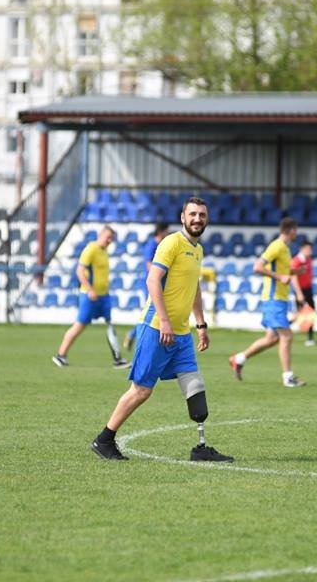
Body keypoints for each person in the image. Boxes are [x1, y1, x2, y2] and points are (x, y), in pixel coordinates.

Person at [90, 197, 232, 462]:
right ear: (182, 217)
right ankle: (104, 439)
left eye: (202, 215)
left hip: (182, 334)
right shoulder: (171, 243)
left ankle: (201, 448)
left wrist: (201, 324)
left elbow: (194, 288)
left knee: (195, 385)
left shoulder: (198, 250)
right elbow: (152, 280)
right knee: (142, 390)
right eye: (192, 214)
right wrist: (164, 321)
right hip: (157, 328)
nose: (197, 219)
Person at [228, 217, 307, 387]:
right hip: (273, 298)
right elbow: (258, 267)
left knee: (272, 339)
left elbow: (283, 271)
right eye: (296, 230)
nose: (297, 234)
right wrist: (280, 277)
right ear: (291, 230)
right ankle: (288, 377)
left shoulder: (285, 248)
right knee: (287, 336)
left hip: (280, 298)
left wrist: (296, 271)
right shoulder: (277, 246)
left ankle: (238, 359)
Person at [52, 225, 129, 368]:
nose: (109, 240)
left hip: (104, 296)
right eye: (108, 237)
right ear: (101, 235)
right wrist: (90, 290)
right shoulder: (91, 249)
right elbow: (80, 271)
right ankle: (60, 355)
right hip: (89, 296)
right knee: (79, 325)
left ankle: (118, 359)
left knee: (110, 324)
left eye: (111, 238)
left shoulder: (104, 251)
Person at [123, 221, 170, 351]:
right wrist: (160, 273)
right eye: (166, 230)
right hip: (152, 284)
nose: (168, 233)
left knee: (158, 312)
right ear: (161, 232)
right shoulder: (152, 244)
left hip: (161, 284)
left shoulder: (163, 244)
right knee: (151, 312)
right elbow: (149, 265)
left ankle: (150, 340)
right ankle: (137, 336)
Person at [291, 239, 317, 346]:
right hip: (301, 290)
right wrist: (299, 293)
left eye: (310, 249)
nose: (310, 251)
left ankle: (310, 338)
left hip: (308, 289)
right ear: (302, 249)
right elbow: (293, 277)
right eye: (307, 249)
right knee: (299, 314)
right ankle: (280, 330)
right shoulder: (297, 261)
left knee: (311, 313)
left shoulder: (309, 260)